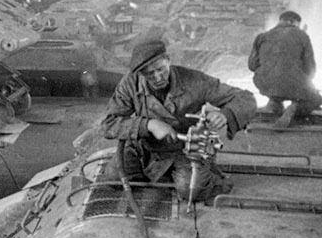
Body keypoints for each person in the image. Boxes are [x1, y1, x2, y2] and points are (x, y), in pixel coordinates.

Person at [100, 38, 257, 199]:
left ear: (168, 60)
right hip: (144, 147)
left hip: (185, 149)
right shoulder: (130, 83)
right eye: (149, 74)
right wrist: (149, 125)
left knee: (192, 190)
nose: (158, 77)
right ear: (140, 74)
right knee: (114, 177)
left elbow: (245, 98)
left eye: (161, 69)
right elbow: (108, 124)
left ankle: (206, 176)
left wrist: (225, 114)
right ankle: (162, 176)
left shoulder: (194, 80)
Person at [248, 10, 322, 127]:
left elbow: (252, 66)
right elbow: (310, 70)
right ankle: (293, 108)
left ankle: (274, 101)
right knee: (316, 99)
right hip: (292, 84)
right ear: (292, 22)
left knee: (275, 82)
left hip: (265, 85)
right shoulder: (302, 36)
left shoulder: (261, 36)